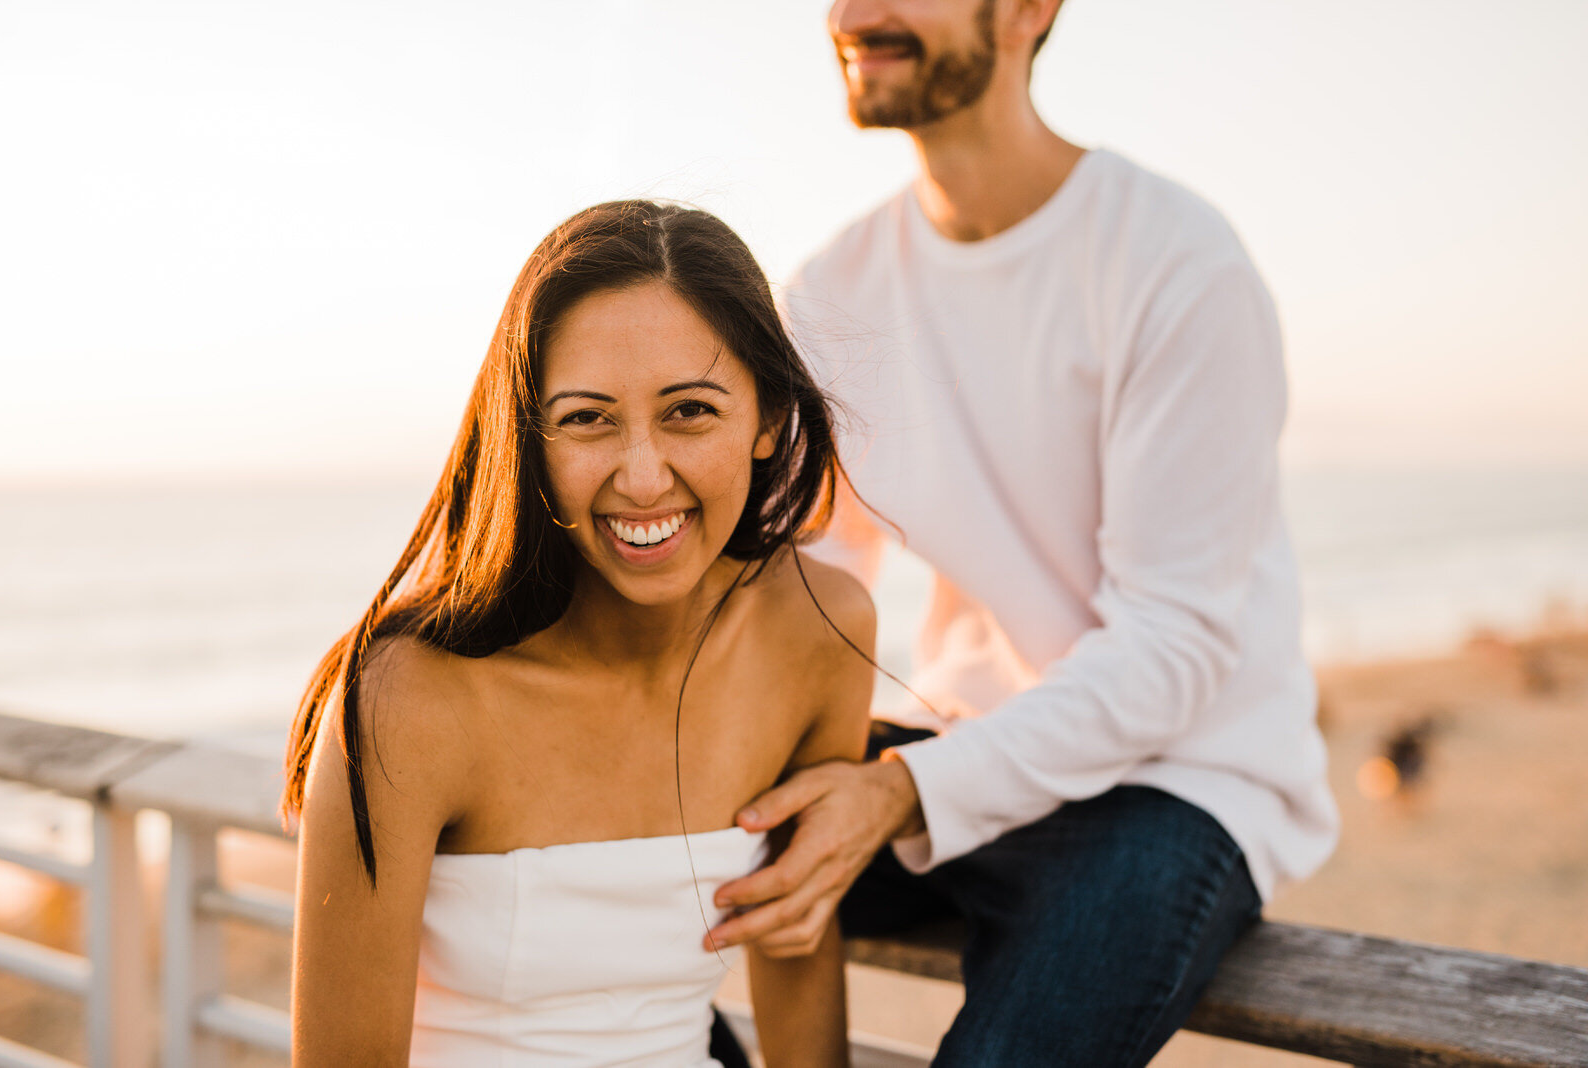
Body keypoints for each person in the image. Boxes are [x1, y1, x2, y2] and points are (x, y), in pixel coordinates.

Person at [704, 1, 1340, 1063]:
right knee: (601, 877)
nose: (854, 14)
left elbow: (1170, 652)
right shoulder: (832, 292)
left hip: (1175, 782)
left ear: (1031, 10)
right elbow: (796, 580)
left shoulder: (1175, 263)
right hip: (960, 744)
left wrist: (899, 790)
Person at [282, 200, 873, 1067]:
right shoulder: (409, 696)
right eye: (588, 419)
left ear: (770, 420)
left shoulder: (821, 632)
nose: (642, 477)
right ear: (530, 441)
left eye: (689, 412)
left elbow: (796, 943)